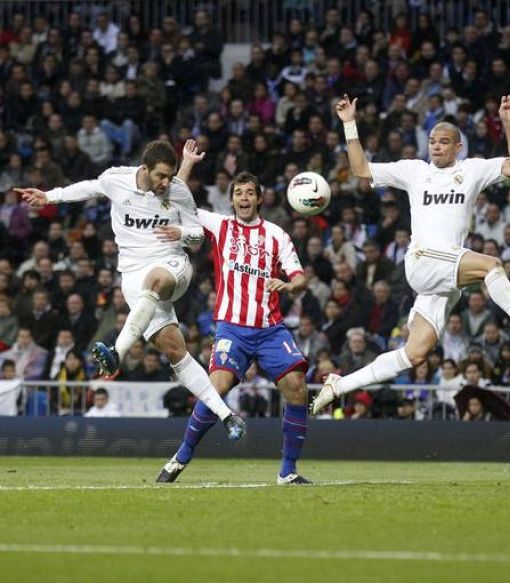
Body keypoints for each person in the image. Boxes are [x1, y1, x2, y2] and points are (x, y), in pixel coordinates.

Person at [311, 94, 510, 414]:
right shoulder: (415, 171)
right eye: (432, 141)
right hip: (424, 260)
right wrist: (349, 124)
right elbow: (361, 169)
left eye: (443, 142)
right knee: (492, 265)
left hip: (447, 275)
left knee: (415, 353)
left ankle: (339, 385)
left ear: (458, 147)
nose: (436, 146)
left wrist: (509, 125)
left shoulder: (472, 170)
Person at [16, 140, 245, 440]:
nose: (167, 182)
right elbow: (88, 187)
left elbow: (198, 236)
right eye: (161, 176)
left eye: (172, 175)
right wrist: (48, 196)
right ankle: (227, 416)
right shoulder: (117, 180)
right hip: (132, 275)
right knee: (176, 351)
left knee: (156, 280)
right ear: (145, 169)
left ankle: (117, 351)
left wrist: (182, 233)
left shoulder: (178, 190)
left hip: (172, 263)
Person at [155, 142, 311, 485]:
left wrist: (288, 285)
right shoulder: (219, 225)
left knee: (297, 388)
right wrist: (187, 164)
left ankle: (288, 471)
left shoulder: (276, 235)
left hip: (271, 329)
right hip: (232, 330)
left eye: (249, 193)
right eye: (238, 193)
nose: (243, 198)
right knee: (216, 387)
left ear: (259, 199)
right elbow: (175, 201)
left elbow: (300, 277)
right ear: (232, 199)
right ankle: (180, 458)